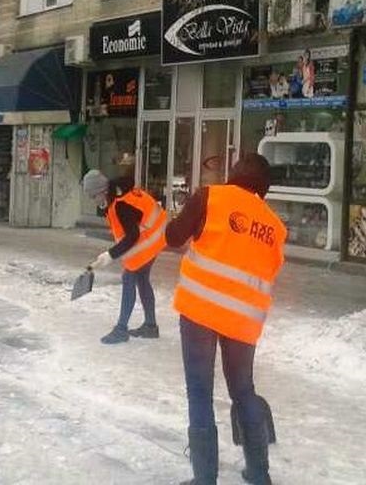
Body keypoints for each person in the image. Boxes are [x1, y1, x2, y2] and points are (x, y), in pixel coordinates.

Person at [167, 154, 287, 485]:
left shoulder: (210, 196)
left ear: (233, 175)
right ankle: (259, 473)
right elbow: (270, 270)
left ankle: (205, 479)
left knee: (200, 392)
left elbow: (174, 237)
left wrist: (172, 222)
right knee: (244, 391)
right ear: (263, 190)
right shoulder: (275, 227)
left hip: (199, 313)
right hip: (243, 323)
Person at [85, 170, 167, 344]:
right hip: (156, 235)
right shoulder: (117, 195)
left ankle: (121, 329)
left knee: (129, 276)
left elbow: (132, 236)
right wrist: (109, 254)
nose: (93, 200)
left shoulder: (121, 205)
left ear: (102, 191)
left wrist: (111, 254)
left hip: (151, 238)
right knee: (142, 279)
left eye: (93, 196)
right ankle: (150, 326)